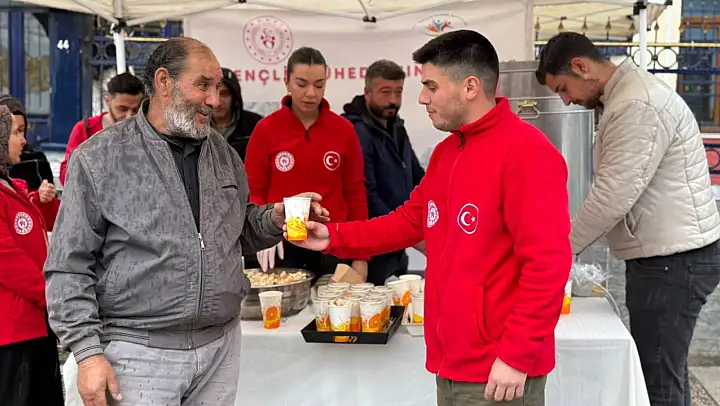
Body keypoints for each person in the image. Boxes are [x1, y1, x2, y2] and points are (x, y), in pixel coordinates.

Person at [285, 30, 572, 406]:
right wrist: (334, 236)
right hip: (451, 363)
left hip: (498, 372)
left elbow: (548, 266)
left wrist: (516, 356)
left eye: (431, 86)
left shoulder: (528, 153)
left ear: (470, 87)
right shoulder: (446, 154)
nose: (421, 97)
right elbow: (407, 222)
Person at [44, 37, 328, 406]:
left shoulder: (223, 153)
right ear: (164, 81)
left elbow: (234, 230)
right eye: (203, 85)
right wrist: (87, 353)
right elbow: (68, 265)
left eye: (217, 87)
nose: (214, 100)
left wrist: (274, 218)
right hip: (136, 352)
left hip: (220, 347)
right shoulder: (100, 158)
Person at [535, 32, 720, 406]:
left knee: (658, 380)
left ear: (581, 67)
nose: (565, 100)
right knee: (664, 371)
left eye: (563, 89)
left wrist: (558, 250)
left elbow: (612, 196)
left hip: (672, 262)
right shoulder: (625, 97)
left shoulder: (637, 105)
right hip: (668, 257)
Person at [244, 47, 369, 280]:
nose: (311, 93)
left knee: (335, 304)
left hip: (334, 243)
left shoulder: (343, 130)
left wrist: (361, 255)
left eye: (319, 85)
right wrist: (262, 234)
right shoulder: (266, 130)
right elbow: (254, 190)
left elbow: (356, 194)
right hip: (283, 243)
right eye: (301, 84)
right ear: (287, 82)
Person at [342, 59, 427, 285]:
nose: (393, 100)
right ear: (367, 93)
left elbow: (417, 176)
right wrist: (408, 232)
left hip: (398, 245)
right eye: (385, 92)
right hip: (373, 247)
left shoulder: (397, 126)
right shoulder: (356, 131)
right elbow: (367, 195)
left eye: (398, 92)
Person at [0, 104, 63, 405]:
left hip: (36, 324)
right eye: (17, 133)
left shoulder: (13, 187)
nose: (24, 141)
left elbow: (45, 225)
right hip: (13, 332)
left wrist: (43, 203)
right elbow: (8, 261)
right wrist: (53, 294)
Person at [59, 72, 144, 185]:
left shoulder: (145, 131)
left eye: (135, 110)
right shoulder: (85, 129)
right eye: (122, 109)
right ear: (107, 101)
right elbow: (66, 176)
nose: (129, 116)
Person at [0, 94, 54, 190]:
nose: (22, 140)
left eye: (21, 130)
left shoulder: (36, 159)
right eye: (15, 131)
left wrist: (44, 196)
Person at [213, 67, 263, 161]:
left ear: (235, 97)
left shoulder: (255, 124)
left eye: (224, 94)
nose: (218, 102)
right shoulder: (195, 127)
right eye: (214, 94)